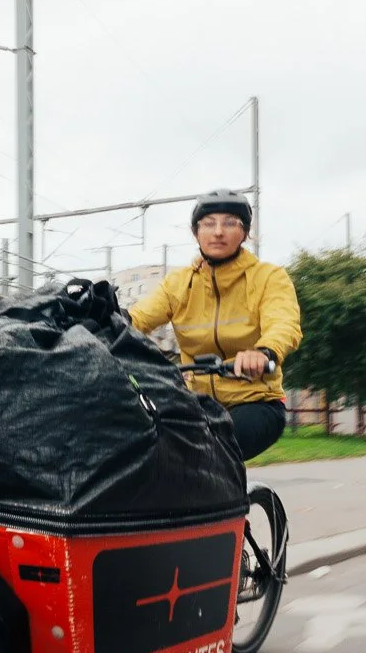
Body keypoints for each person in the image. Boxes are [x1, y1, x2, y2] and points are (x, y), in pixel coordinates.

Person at [128, 190, 302, 463]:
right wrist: (98, 320)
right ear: (195, 231)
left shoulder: (269, 277)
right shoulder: (179, 283)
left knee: (212, 454)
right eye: (209, 223)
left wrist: (264, 352)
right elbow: (137, 318)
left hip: (255, 401)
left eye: (230, 222)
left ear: (245, 232)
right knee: (140, 450)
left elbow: (284, 323)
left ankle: (231, 505)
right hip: (196, 402)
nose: (218, 232)